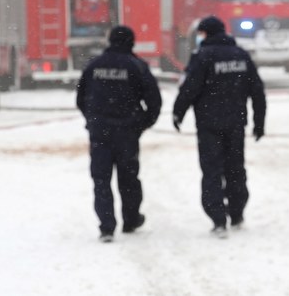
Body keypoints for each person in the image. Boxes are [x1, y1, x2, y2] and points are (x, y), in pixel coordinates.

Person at [171, 16, 267, 238]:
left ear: (205, 34)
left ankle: (218, 218)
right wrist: (259, 122)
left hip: (209, 125)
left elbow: (189, 88)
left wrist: (178, 112)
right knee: (235, 169)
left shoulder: (202, 57)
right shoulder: (241, 55)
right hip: (236, 123)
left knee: (212, 171)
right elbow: (257, 91)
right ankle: (237, 213)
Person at [76, 24, 162, 242]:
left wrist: (93, 120)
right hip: (127, 133)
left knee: (101, 180)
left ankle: (106, 226)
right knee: (129, 178)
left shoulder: (94, 66)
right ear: (131, 42)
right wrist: (142, 124)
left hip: (100, 133)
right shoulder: (137, 66)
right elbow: (154, 101)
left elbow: (81, 98)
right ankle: (131, 219)